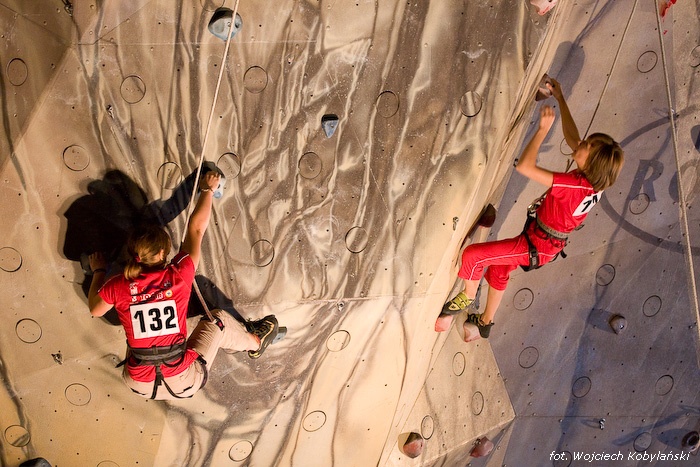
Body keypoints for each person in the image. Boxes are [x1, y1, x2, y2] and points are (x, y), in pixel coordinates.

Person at [438, 78, 625, 338]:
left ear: (591, 162)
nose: (580, 144)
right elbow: (573, 138)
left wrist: (541, 131)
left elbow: (525, 167)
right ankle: (484, 323)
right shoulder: (596, 180)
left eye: (586, 146)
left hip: (537, 244)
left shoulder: (575, 186)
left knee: (473, 256)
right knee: (500, 267)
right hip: (543, 241)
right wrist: (560, 98)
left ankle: (466, 298)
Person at [88, 170, 279, 399]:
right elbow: (196, 229)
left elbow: (96, 309)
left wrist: (99, 271)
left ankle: (242, 341)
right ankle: (255, 343)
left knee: (140, 338)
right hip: (182, 380)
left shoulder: (118, 285)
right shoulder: (179, 273)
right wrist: (208, 189)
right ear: (162, 253)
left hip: (140, 383)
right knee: (218, 321)